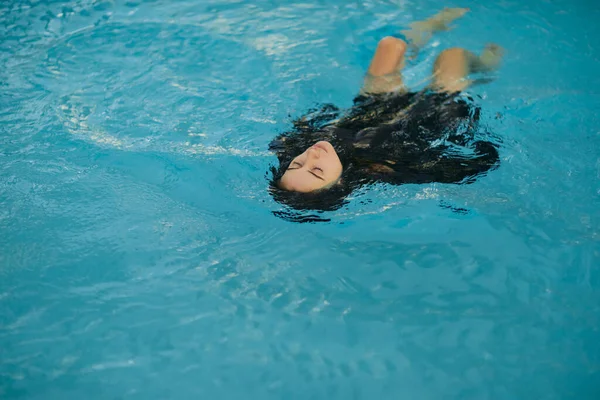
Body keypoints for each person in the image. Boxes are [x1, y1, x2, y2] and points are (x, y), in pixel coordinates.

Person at [268, 8, 503, 218]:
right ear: (340, 183)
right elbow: (456, 170)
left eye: (297, 165)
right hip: (436, 111)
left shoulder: (294, 147)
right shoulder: (384, 170)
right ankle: (486, 65)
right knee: (452, 55)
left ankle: (427, 28)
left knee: (390, 45)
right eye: (317, 171)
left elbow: (300, 130)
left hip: (374, 108)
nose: (311, 156)